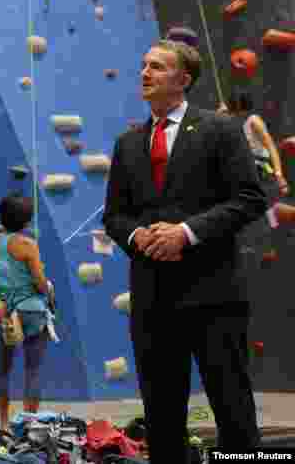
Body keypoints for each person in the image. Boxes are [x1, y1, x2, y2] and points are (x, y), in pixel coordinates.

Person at [103, 40, 266, 462]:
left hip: (213, 296)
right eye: (143, 65)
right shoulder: (128, 143)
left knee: (233, 410)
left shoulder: (220, 130)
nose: (145, 72)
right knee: (162, 417)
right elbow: (115, 217)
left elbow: (249, 199)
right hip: (153, 300)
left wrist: (186, 233)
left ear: (184, 79)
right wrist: (139, 237)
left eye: (156, 66)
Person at [0, 194, 52, 431]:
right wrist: (47, 286)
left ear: (1, 217)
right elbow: (40, 283)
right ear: (27, 221)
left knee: (3, 369)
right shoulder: (29, 245)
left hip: (6, 310)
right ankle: (28, 427)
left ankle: (3, 424)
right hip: (32, 310)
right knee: (32, 370)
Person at [218, 94, 292, 227]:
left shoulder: (253, 121)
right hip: (243, 174)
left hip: (260, 172)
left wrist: (279, 174)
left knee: (265, 216)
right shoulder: (230, 122)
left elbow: (271, 146)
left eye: (233, 110)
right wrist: (218, 115)